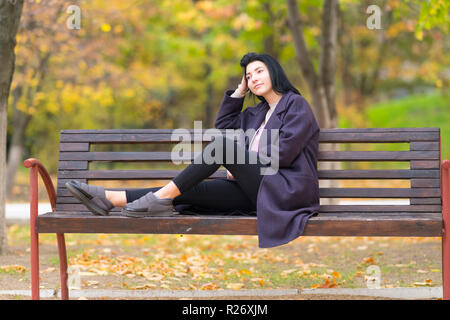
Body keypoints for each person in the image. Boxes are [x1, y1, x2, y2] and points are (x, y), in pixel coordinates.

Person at [66, 52, 321, 248]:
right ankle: (110, 198)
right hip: (258, 191)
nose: (253, 78)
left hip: (284, 191)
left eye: (259, 71)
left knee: (222, 149)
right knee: (192, 189)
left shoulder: (295, 105)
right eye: (248, 76)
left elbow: (282, 155)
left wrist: (241, 163)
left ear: (274, 72)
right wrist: (239, 92)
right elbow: (224, 126)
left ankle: (158, 199)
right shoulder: (256, 113)